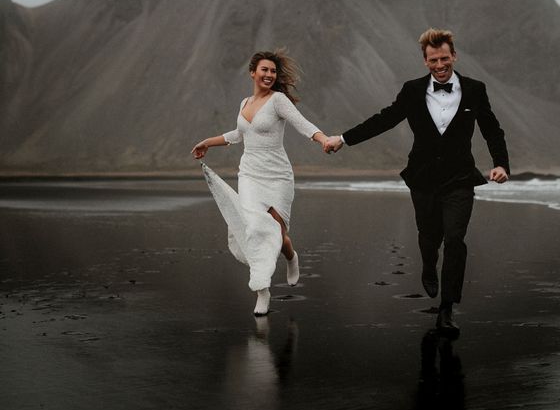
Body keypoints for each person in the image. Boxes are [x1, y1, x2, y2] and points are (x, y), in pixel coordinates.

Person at [324, 28, 509, 336]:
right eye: (434, 60)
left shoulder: (476, 89)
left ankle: (447, 309)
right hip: (423, 179)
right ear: (425, 61)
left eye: (445, 58)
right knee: (429, 236)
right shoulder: (412, 90)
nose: (440, 65)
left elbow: (492, 129)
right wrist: (343, 139)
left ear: (454, 56)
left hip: (460, 179)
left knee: (454, 239)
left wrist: (500, 163)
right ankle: (427, 265)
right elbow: (384, 119)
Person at [192, 50, 330, 316]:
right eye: (264, 70)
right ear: (252, 72)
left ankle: (291, 257)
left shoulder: (278, 100)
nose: (269, 75)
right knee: (255, 229)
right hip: (250, 175)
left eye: (273, 71)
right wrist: (207, 142)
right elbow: (239, 134)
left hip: (278, 175)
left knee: (277, 233)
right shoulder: (244, 102)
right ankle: (262, 291)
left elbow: (301, 123)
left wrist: (322, 138)